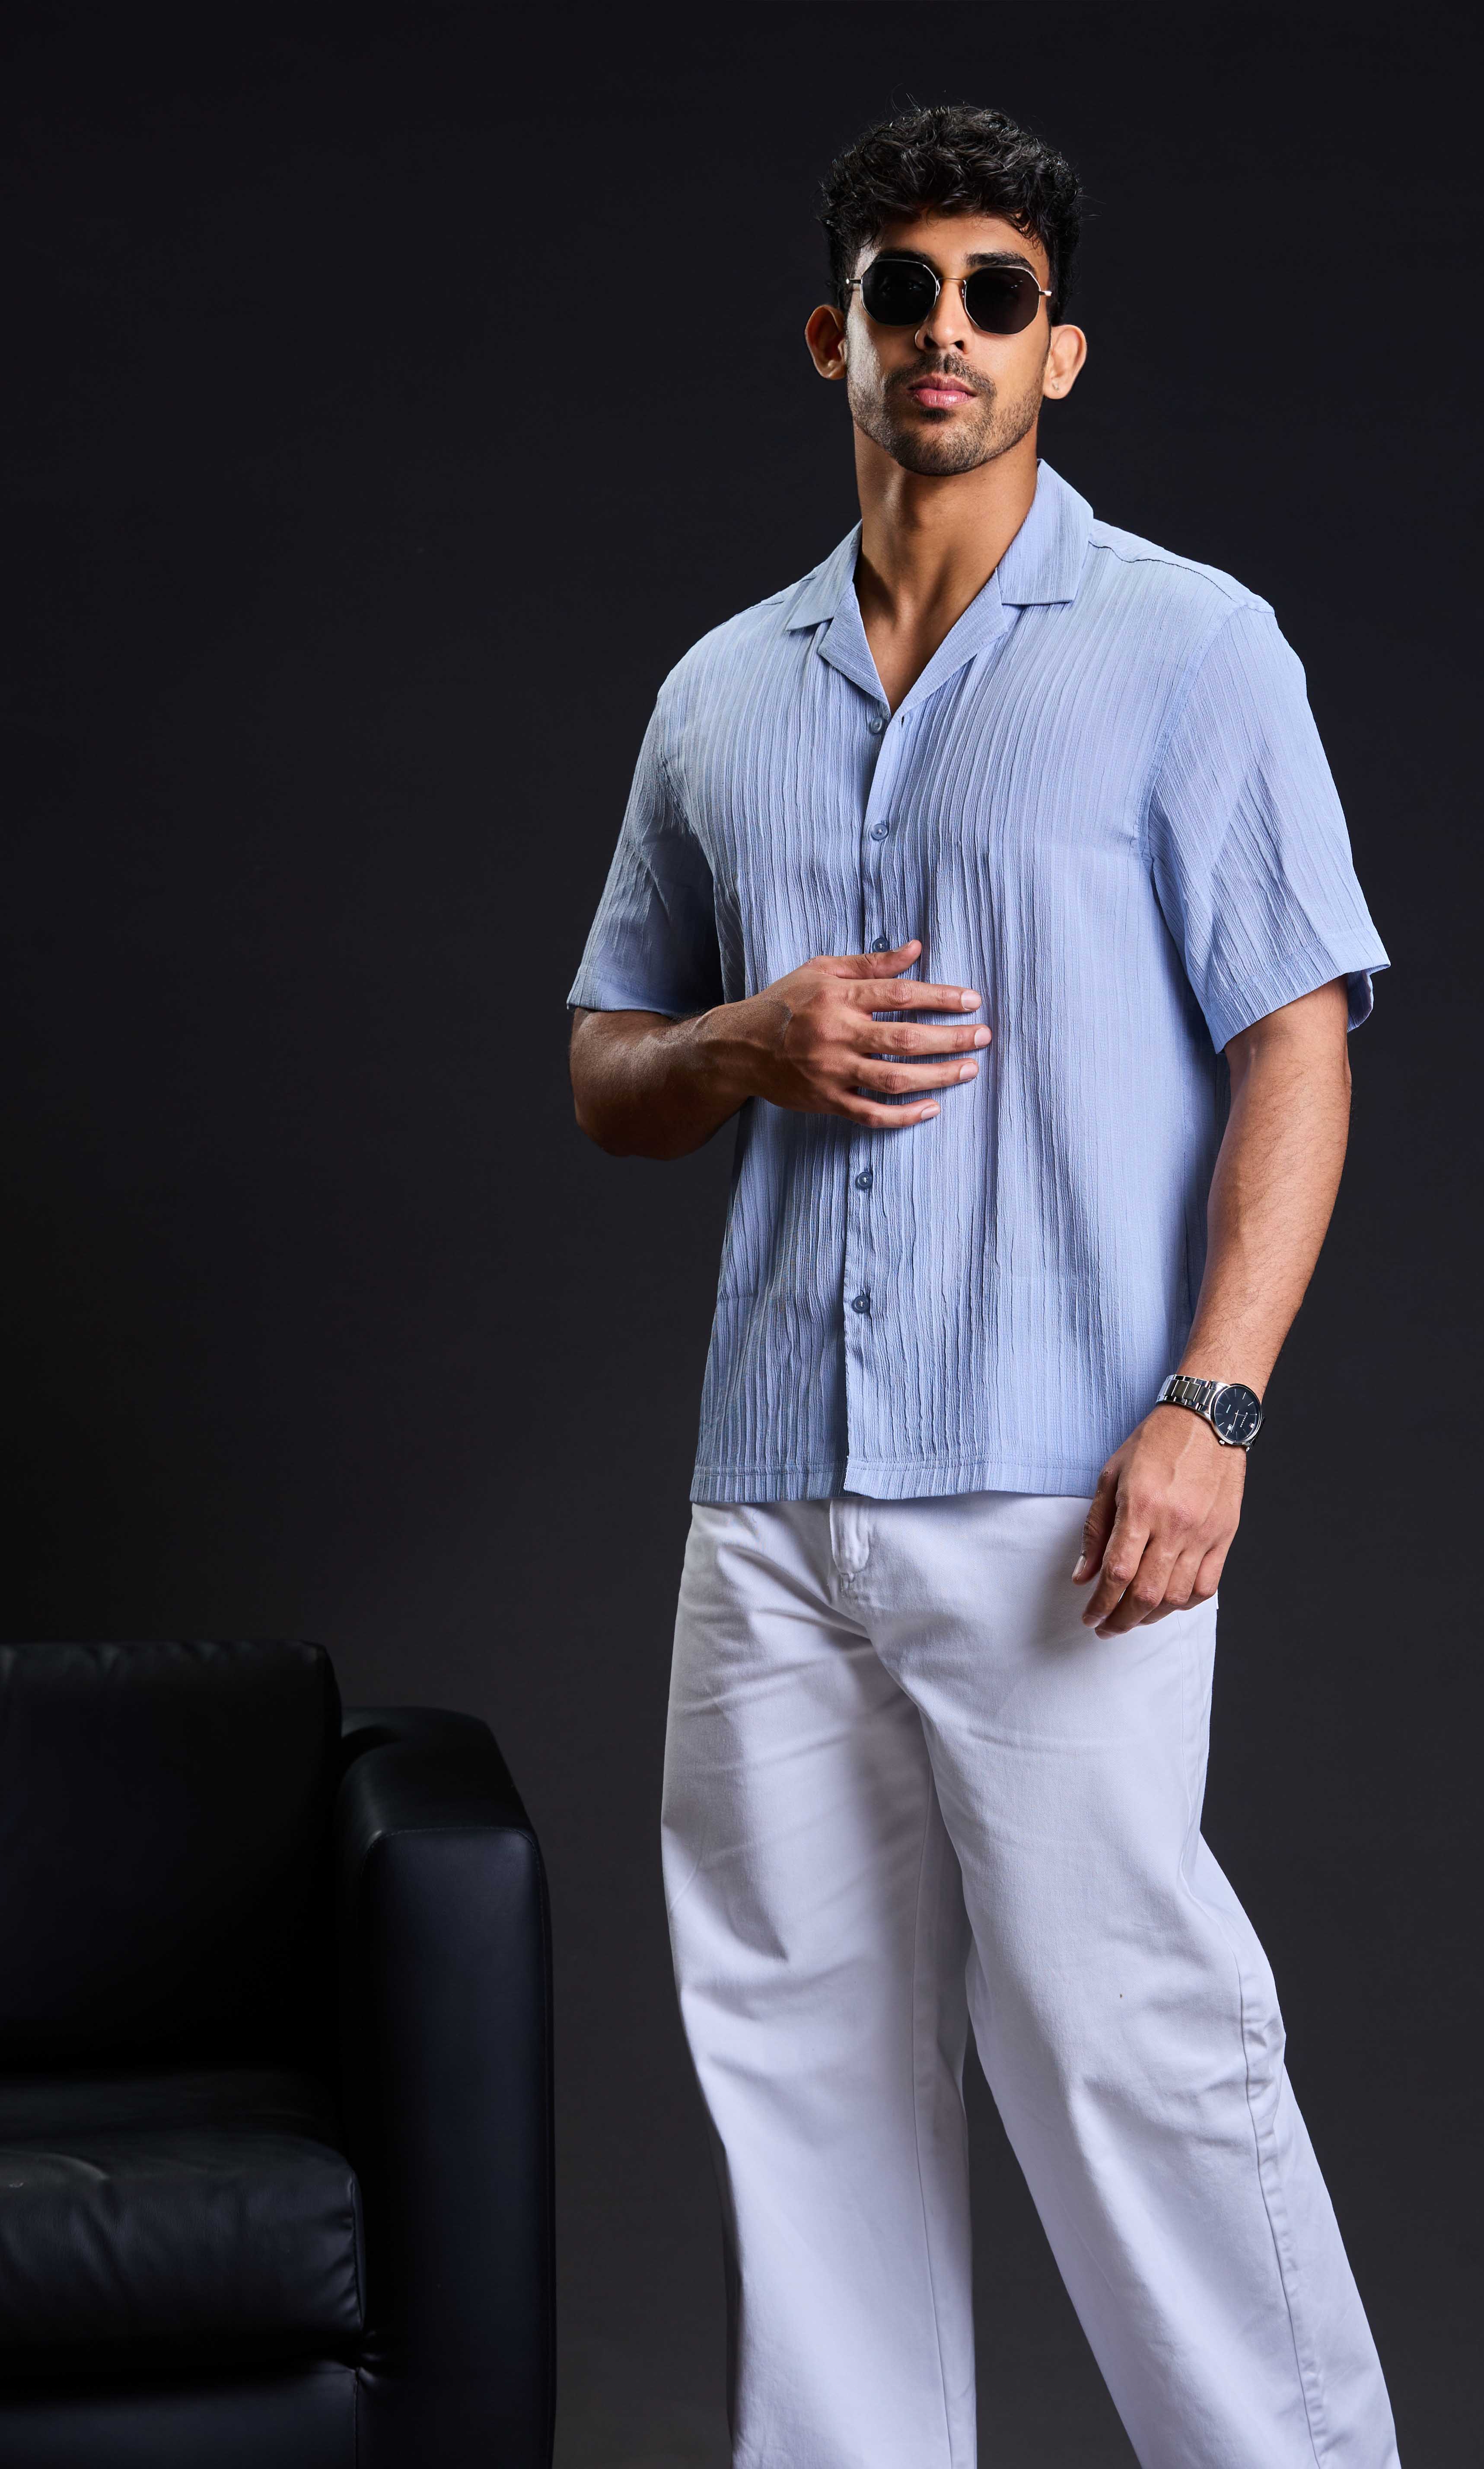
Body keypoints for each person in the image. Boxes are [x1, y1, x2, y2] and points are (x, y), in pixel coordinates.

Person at [568, 98, 1401, 2469]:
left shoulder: (1191, 649)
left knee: (1136, 2048)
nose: (949, 329)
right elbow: (609, 1066)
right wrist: (742, 1042)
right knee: (802, 2079)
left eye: (997, 295)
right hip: (768, 1504)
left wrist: (1213, 1409)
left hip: (1064, 1496)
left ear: (1060, 352)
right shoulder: (721, 691)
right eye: (905, 292)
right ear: (831, 338)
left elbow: (1300, 1042)